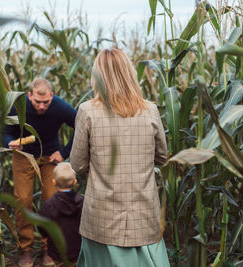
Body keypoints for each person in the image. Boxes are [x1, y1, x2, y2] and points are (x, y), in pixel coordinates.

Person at [70, 48, 170, 267]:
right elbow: (162, 157)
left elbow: (77, 164)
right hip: (143, 215)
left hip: (102, 217)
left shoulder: (87, 111)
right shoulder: (150, 110)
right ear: (130, 73)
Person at [5, 78, 77, 267]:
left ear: (52, 96)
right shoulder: (18, 106)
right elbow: (6, 131)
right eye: (38, 101)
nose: (42, 106)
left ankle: (49, 249)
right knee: (23, 200)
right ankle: (26, 249)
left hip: (49, 157)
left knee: (53, 201)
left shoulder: (60, 107)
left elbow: (81, 125)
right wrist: (10, 143)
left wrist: (64, 153)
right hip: (23, 157)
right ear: (30, 96)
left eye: (46, 102)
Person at [38, 162, 84, 266]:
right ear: (75, 182)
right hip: (77, 249)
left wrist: (46, 235)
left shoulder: (49, 205)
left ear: (53, 182)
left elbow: (42, 226)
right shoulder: (82, 202)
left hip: (57, 251)